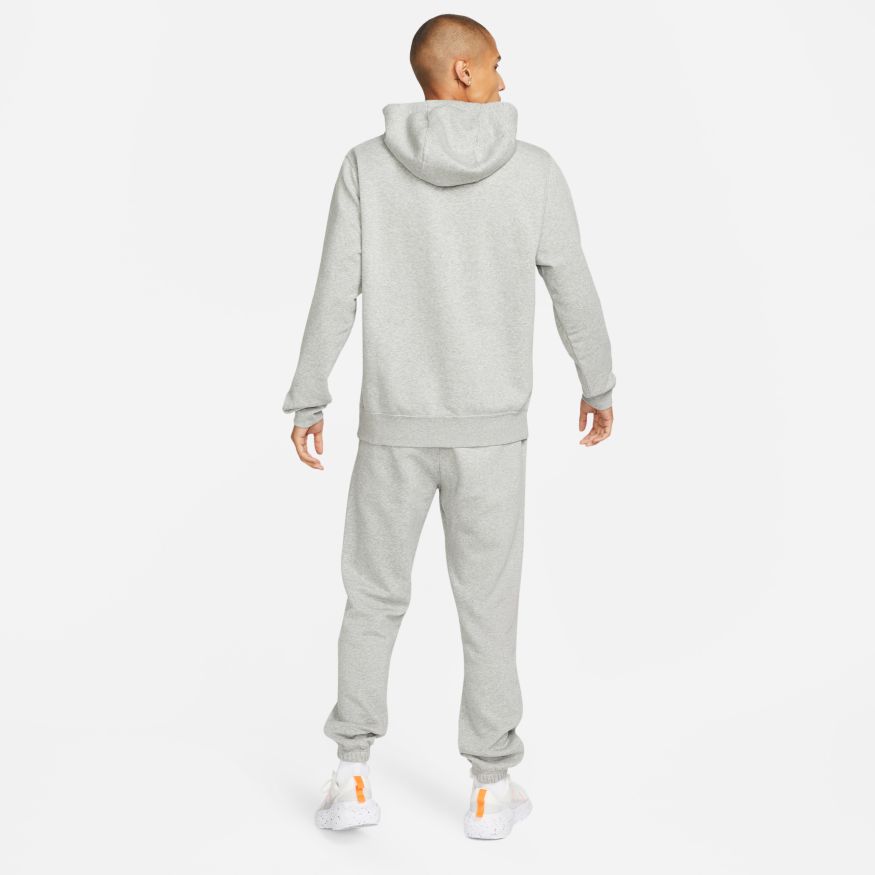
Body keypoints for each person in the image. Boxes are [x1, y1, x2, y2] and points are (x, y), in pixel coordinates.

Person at [283, 13, 615, 840]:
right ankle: (490, 787)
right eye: (496, 64)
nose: (504, 78)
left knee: (372, 598)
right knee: (488, 606)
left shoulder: (365, 167)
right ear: (462, 72)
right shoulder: (533, 170)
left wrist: (309, 393)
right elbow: (571, 284)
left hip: (392, 430)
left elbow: (335, 287)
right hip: (490, 435)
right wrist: (597, 381)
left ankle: (351, 776)